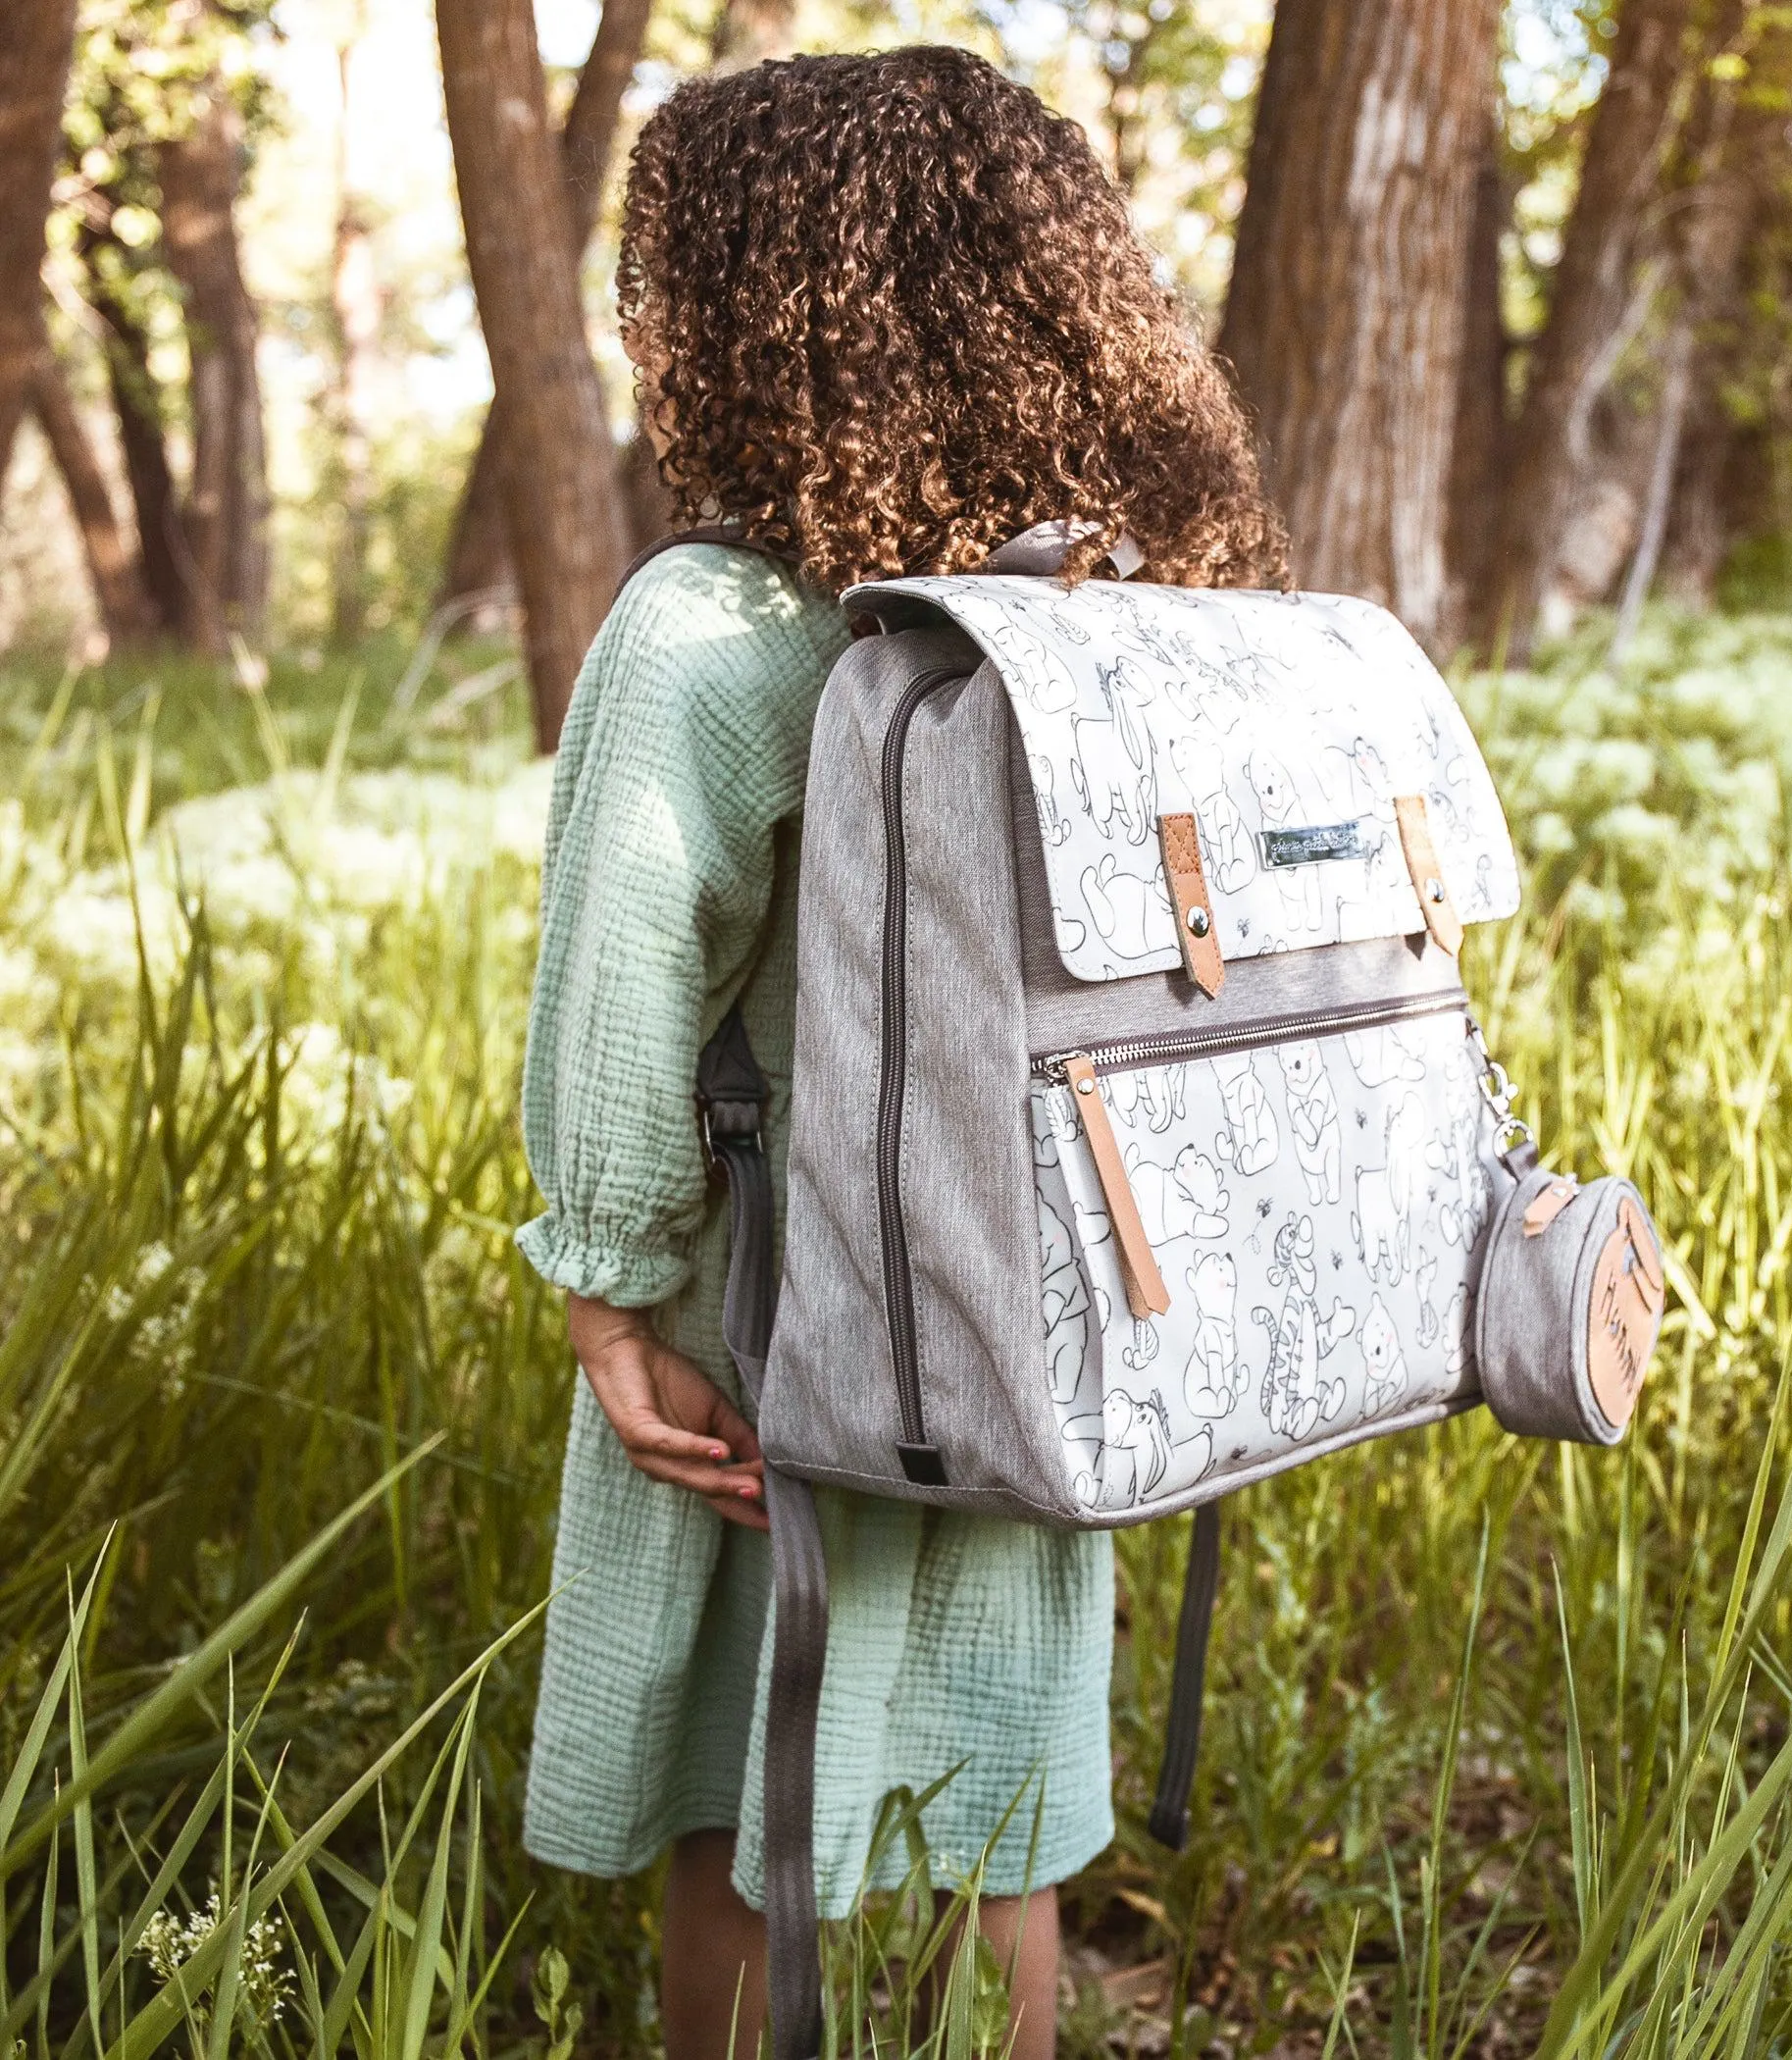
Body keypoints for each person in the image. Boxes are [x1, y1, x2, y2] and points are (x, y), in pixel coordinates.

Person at [516, 44, 1284, 2060]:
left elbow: (620, 1001)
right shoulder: (1114, 614)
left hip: (780, 1310)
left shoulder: (716, 626)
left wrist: (607, 1293)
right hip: (1046, 1298)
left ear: (750, 309)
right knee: (995, 1795)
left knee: (743, 1779)